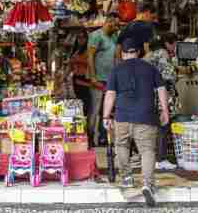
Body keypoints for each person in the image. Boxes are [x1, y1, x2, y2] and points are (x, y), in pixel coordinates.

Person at [103, 37, 169, 207]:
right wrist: (165, 111)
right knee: (147, 150)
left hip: (123, 116)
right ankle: (147, 184)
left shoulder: (116, 70)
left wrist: (106, 116)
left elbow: (110, 94)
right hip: (146, 115)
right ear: (138, 52)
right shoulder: (150, 68)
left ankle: (127, 178)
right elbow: (162, 89)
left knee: (122, 146)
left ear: (122, 53)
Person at [144, 33, 178, 170]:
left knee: (152, 127)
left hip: (147, 95)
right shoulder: (163, 53)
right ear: (168, 43)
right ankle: (161, 158)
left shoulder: (150, 54)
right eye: (174, 43)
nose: (175, 47)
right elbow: (169, 76)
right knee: (164, 124)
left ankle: (151, 158)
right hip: (160, 94)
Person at [87, 12, 120, 146]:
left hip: (110, 79)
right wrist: (93, 77)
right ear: (109, 22)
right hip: (98, 79)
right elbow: (90, 57)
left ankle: (102, 137)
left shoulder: (114, 37)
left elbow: (117, 57)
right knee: (95, 109)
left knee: (106, 111)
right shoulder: (96, 36)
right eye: (116, 25)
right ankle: (89, 137)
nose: (118, 27)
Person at [70, 29, 91, 116]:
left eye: (83, 37)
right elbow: (70, 66)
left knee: (84, 104)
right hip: (76, 79)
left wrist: (77, 61)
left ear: (86, 39)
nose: (80, 40)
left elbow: (91, 63)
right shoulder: (76, 50)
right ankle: (80, 122)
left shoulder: (89, 50)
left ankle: (84, 123)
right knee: (78, 102)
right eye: (79, 38)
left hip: (84, 79)